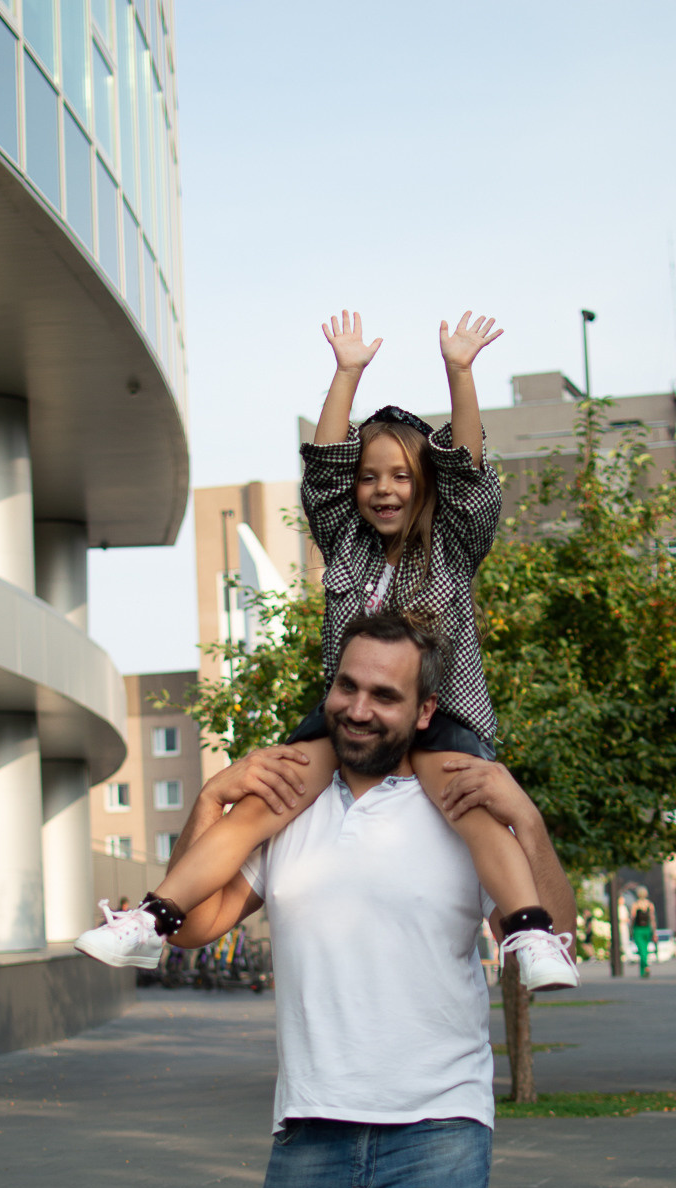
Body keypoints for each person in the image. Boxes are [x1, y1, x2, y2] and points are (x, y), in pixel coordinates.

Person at [76, 309, 579, 992]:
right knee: (264, 801)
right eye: (370, 478)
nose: (383, 490)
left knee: (473, 805)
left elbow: (468, 476)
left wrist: (460, 372)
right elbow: (324, 470)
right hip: (346, 719)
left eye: (401, 477)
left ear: (426, 485)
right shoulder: (346, 541)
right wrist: (345, 375)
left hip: (445, 714)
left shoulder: (451, 544)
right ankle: (151, 919)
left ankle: (531, 931)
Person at [164, 615, 578, 1188]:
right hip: (309, 1132)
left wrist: (531, 824)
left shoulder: (459, 805)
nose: (358, 708)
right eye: (347, 686)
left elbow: (551, 938)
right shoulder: (288, 806)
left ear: (423, 711)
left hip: (438, 1133)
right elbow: (194, 925)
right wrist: (208, 803)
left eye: (384, 695)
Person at [630, 885, 657, 977]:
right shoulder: (650, 905)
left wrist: (631, 929)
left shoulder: (635, 905)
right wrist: (654, 932)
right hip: (647, 929)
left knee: (641, 950)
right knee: (644, 949)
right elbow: (652, 919)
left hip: (638, 929)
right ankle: (643, 971)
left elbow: (632, 918)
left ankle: (645, 966)